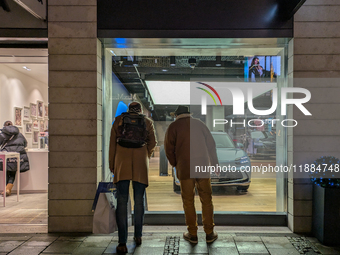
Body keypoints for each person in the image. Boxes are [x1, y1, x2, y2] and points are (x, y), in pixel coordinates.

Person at [164, 105, 218, 244]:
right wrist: (215, 163)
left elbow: (168, 149)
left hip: (185, 167)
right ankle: (209, 233)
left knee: (188, 201)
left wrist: (175, 163)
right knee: (206, 199)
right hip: (202, 167)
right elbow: (211, 144)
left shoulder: (173, 126)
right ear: (189, 114)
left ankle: (192, 234)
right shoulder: (200, 124)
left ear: (176, 115)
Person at [109, 102, 157, 253]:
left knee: (122, 200)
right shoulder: (147, 122)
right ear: (141, 111)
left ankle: (122, 242)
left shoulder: (118, 121)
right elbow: (153, 142)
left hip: (121, 163)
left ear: (129, 110)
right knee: (139, 200)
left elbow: (112, 144)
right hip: (140, 164)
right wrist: (145, 154)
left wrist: (113, 164)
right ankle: (138, 236)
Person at [0, 121, 29, 196]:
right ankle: (7, 189)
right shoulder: (19, 134)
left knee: (6, 172)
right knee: (13, 172)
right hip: (16, 156)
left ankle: (5, 189)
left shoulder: (2, 134)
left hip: (6, 156)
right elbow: (25, 144)